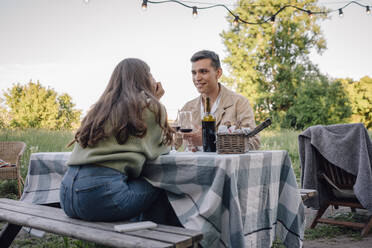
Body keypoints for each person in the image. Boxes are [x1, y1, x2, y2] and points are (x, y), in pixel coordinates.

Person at [59, 58, 181, 226]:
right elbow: (161, 150)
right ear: (143, 78)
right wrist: (156, 101)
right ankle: (157, 242)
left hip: (66, 196)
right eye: (151, 74)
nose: (154, 79)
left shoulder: (100, 107)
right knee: (164, 187)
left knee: (133, 184)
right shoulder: (151, 106)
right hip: (99, 197)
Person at [181, 50, 260, 150]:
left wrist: (209, 140)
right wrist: (156, 101)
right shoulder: (187, 108)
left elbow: (253, 141)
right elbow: (169, 141)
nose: (197, 78)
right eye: (194, 73)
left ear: (218, 73)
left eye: (203, 72)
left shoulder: (239, 103)